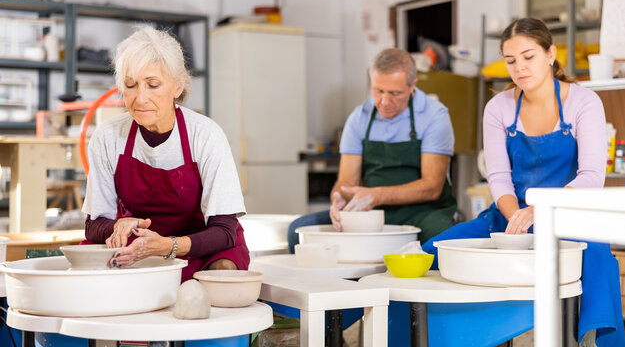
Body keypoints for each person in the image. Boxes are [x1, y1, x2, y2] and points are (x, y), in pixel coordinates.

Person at [423, 17, 624, 346]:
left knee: (598, 263)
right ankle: (440, 334)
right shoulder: (498, 108)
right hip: (510, 214)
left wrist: (540, 211)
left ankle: (592, 339)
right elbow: (499, 177)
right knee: (432, 253)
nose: (520, 68)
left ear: (550, 54)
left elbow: (591, 176)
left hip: (572, 217)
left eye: (528, 57)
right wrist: (518, 216)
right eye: (511, 60)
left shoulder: (584, 102)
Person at [82, 26, 249, 282]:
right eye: (130, 85)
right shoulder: (108, 136)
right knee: (87, 280)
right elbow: (93, 226)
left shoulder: (205, 135)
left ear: (178, 86)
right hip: (139, 247)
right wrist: (117, 226)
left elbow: (224, 231)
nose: (140, 98)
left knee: (223, 276)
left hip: (201, 247)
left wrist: (169, 246)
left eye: (153, 85)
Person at [287, 48, 457, 252]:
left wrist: (377, 195)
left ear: (413, 85)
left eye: (395, 93)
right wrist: (339, 197)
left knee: (441, 242)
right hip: (370, 212)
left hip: (424, 212)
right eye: (378, 91)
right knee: (297, 230)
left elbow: (432, 187)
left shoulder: (434, 116)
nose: (384, 102)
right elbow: (346, 183)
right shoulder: (359, 117)